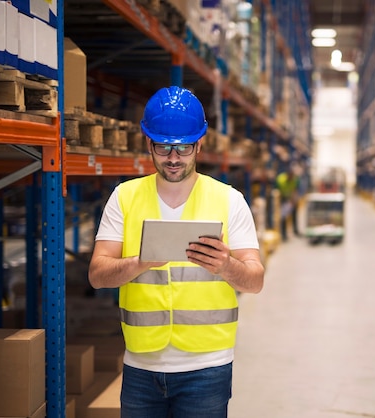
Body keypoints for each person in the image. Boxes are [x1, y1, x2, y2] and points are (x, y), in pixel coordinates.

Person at [88, 86, 264, 418]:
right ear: (147, 142)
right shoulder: (124, 198)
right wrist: (139, 263)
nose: (172, 158)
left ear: (200, 143)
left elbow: (254, 280)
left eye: (183, 148)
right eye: (163, 147)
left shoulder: (229, 200)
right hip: (141, 365)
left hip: (207, 367)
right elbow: (97, 276)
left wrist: (226, 265)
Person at [275, 164, 301, 241]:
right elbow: (276, 191)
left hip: (290, 198)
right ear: (287, 174)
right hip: (282, 198)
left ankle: (295, 230)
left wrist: (293, 201)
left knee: (294, 212)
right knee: (283, 216)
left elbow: (295, 191)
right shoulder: (280, 179)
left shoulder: (295, 180)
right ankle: (284, 234)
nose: (291, 177)